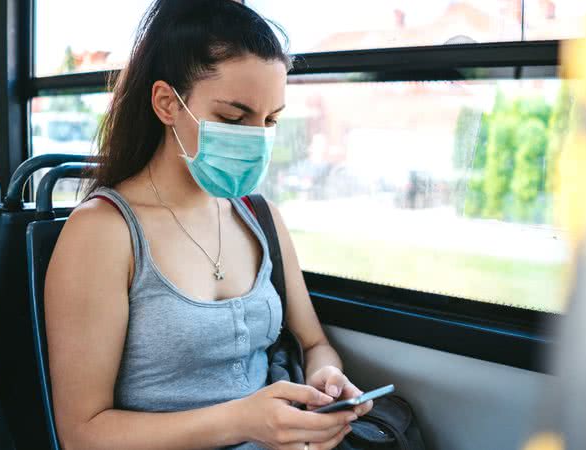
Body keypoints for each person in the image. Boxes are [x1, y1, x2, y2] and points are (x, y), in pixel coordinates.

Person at [44, 1, 371, 449]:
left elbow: (313, 343)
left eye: (270, 120)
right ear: (166, 104)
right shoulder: (103, 232)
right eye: (233, 119)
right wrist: (244, 421)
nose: (256, 137)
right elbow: (83, 434)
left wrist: (324, 381)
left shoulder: (261, 219)